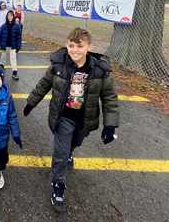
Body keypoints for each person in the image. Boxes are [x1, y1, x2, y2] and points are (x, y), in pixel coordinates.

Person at [23, 27, 119, 213]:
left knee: (76, 142)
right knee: (60, 153)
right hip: (63, 118)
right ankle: (58, 185)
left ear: (89, 47)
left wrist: (110, 125)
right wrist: (31, 103)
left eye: (80, 46)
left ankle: (71, 152)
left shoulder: (99, 70)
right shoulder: (58, 65)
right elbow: (43, 84)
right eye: (71, 45)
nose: (75, 50)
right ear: (66, 45)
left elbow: (110, 97)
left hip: (84, 119)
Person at [0, 10, 22, 80]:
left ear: (13, 16)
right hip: (5, 46)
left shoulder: (17, 26)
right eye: (8, 16)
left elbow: (19, 37)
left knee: (13, 59)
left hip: (13, 46)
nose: (10, 17)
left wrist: (18, 46)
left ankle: (14, 71)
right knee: (3, 57)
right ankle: (1, 67)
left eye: (11, 15)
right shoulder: (3, 26)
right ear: (7, 17)